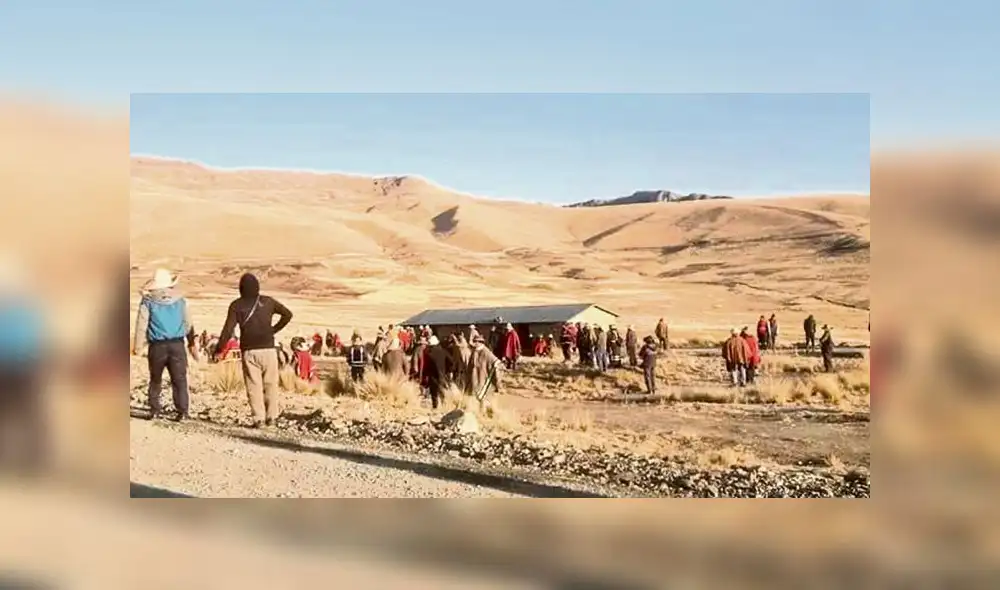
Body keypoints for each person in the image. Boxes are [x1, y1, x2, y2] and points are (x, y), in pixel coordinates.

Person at [214, 273, 293, 429]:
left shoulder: (236, 305)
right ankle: (272, 418)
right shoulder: (268, 301)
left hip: (249, 351)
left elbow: (228, 330)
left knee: (253, 385)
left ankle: (259, 419)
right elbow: (287, 314)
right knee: (271, 384)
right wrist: (273, 330)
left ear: (241, 288)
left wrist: (219, 349)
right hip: (269, 349)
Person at [132, 268, 196, 422]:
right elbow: (188, 323)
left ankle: (155, 410)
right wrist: (191, 342)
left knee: (155, 379)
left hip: (157, 346)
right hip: (177, 345)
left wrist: (138, 346)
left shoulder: (148, 301)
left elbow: (142, 325)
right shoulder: (181, 301)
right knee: (179, 379)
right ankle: (182, 411)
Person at [466, 334, 504, 409]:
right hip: (475, 377)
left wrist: (497, 381)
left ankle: (485, 413)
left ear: (481, 342)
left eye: (477, 341)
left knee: (484, 397)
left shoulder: (486, 352)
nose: (475, 343)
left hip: (484, 378)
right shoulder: (474, 351)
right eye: (474, 341)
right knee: (476, 397)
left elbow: (496, 362)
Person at [424, 335, 451, 409]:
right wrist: (447, 370)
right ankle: (444, 405)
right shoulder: (443, 351)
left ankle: (435, 406)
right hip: (442, 373)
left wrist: (426, 375)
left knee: (434, 392)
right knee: (442, 390)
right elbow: (451, 361)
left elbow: (426, 366)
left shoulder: (428, 354)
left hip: (432, 375)